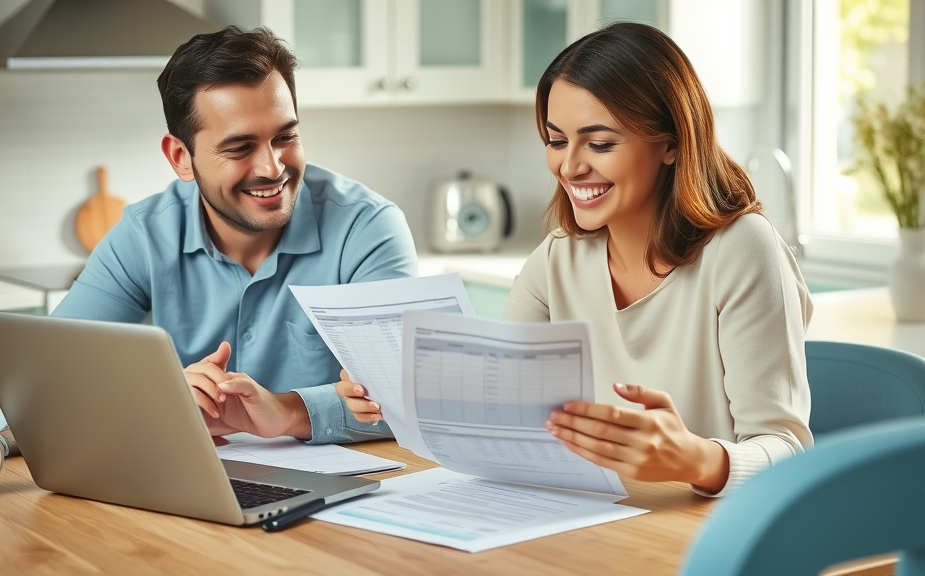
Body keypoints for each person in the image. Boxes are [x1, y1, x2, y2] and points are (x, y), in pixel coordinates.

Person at [336, 22, 813, 496]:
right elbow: (499, 406)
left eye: (600, 143)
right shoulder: (560, 257)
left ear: (670, 143)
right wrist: (393, 397)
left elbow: (787, 450)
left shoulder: (742, 250)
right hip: (596, 523)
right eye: (556, 140)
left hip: (702, 534)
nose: (570, 166)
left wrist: (695, 459)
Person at [0, 25, 418, 459]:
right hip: (194, 486)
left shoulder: (368, 229)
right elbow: (48, 385)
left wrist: (286, 411)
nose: (271, 167)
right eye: (239, 147)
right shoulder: (144, 234)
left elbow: (414, 401)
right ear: (180, 158)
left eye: (285, 137)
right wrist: (161, 399)